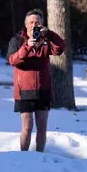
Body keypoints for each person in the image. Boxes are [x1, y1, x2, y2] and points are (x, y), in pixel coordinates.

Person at [7, 9, 65, 152]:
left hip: (43, 89)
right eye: (31, 22)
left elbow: (60, 49)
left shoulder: (45, 41)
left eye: (37, 22)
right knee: (27, 126)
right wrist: (27, 46)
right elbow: (13, 60)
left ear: (42, 24)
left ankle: (40, 156)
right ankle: (23, 155)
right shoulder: (17, 40)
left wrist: (50, 34)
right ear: (26, 24)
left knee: (42, 127)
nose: (34, 25)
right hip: (24, 91)